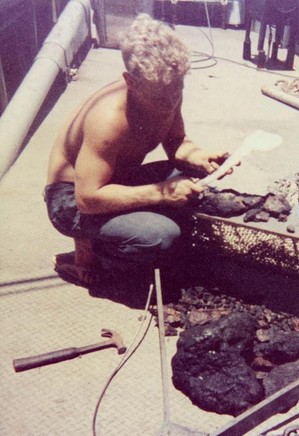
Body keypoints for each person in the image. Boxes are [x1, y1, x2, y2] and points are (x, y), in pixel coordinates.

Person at [44, 14, 228, 286]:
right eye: (159, 98)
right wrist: (162, 194)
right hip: (73, 200)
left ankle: (116, 236)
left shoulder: (166, 85)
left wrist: (198, 156)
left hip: (113, 181)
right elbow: (88, 199)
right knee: (160, 236)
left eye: (176, 92)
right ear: (131, 81)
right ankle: (90, 256)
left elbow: (177, 142)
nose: (169, 104)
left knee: (195, 176)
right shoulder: (108, 120)